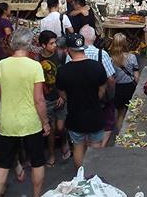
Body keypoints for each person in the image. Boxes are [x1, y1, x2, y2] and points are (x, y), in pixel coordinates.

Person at [0, 27, 50, 197]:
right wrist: (45, 121)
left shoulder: (2, 65)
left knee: (3, 165)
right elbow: (39, 100)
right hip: (31, 122)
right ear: (29, 44)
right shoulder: (34, 66)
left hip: (8, 122)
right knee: (38, 162)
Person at [56, 33, 107, 169]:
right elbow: (103, 88)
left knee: (78, 146)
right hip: (95, 113)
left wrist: (72, 98)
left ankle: (81, 176)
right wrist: (95, 97)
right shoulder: (97, 67)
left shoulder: (63, 71)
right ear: (82, 47)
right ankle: (94, 174)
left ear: (68, 50)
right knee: (95, 146)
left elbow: (61, 92)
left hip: (75, 115)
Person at [65, 30, 116, 146]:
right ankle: (96, 156)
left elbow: (64, 85)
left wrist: (70, 98)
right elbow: (110, 79)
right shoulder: (101, 55)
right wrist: (106, 96)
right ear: (93, 38)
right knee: (100, 133)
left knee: (78, 145)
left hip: (76, 105)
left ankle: (81, 164)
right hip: (96, 104)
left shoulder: (68, 60)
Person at [38, 30, 70, 165]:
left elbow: (66, 75)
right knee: (50, 129)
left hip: (60, 96)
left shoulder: (61, 55)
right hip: (46, 99)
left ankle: (65, 142)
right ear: (43, 45)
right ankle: (51, 155)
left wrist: (63, 96)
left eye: (55, 42)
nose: (55, 45)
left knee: (61, 127)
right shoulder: (37, 59)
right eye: (51, 43)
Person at [109, 33, 139, 132]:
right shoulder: (131, 57)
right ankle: (130, 133)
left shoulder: (110, 59)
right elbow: (136, 76)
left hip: (117, 88)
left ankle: (120, 135)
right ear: (125, 43)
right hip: (129, 87)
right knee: (131, 111)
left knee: (120, 113)